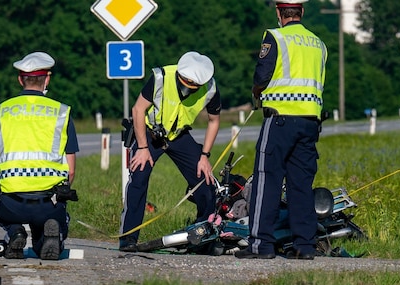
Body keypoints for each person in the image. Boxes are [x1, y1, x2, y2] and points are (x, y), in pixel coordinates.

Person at [235, 0, 327, 260]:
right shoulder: (319, 43)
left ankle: (261, 245)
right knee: (301, 185)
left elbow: (261, 77)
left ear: (279, 12)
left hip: (279, 120)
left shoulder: (274, 37)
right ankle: (304, 246)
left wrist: (256, 93)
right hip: (310, 122)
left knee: (267, 180)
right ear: (302, 12)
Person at [119, 51, 222, 252]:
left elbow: (214, 121)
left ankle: (200, 238)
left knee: (206, 183)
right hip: (149, 134)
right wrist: (142, 147)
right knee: (138, 179)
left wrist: (204, 156)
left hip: (179, 136)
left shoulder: (210, 88)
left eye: (193, 88)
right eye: (185, 85)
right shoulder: (161, 77)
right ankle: (128, 239)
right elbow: (138, 110)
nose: (187, 90)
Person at [0, 52, 79, 260]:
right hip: (48, 202)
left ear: (20, 79)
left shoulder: (0, 112)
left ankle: (15, 232)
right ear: (47, 79)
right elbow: (70, 170)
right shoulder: (61, 112)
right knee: (53, 221)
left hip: (11, 203)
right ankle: (48, 236)